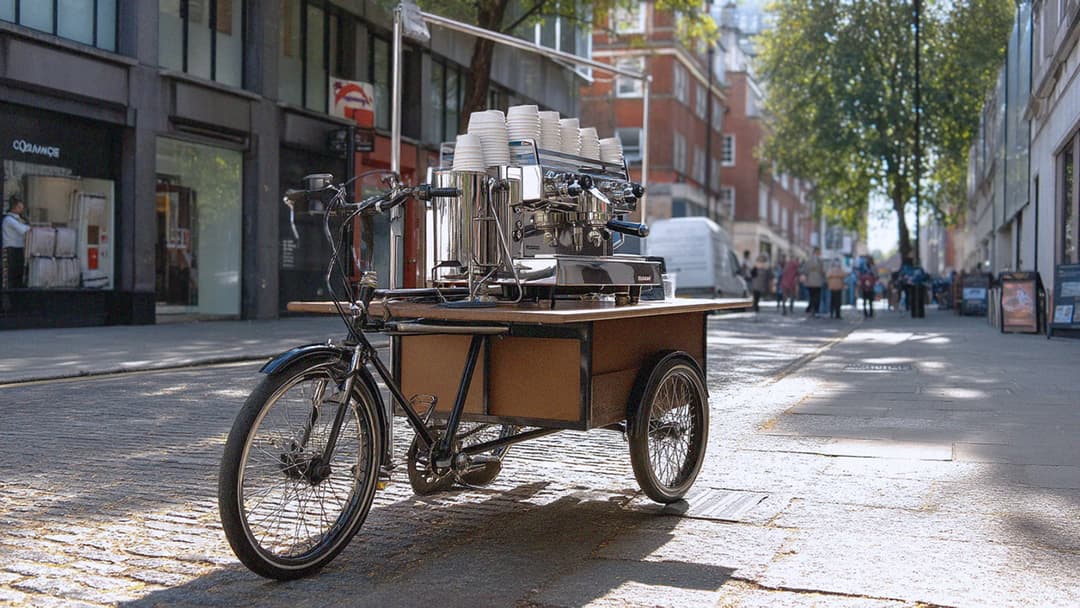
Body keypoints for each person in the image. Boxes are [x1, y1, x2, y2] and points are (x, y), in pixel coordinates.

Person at [2, 195, 30, 289]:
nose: (21, 210)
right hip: (11, 249)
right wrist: (29, 227)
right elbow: (23, 230)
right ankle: (9, 295)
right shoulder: (9, 220)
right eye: (19, 207)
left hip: (18, 248)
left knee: (18, 272)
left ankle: (17, 291)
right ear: (14, 208)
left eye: (22, 208)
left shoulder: (18, 219)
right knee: (11, 273)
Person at [802, 247, 825, 318]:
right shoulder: (820, 261)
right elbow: (822, 271)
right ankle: (815, 310)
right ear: (817, 252)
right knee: (817, 296)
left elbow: (805, 271)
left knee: (811, 296)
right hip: (818, 282)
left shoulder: (808, 260)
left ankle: (812, 309)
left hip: (810, 282)